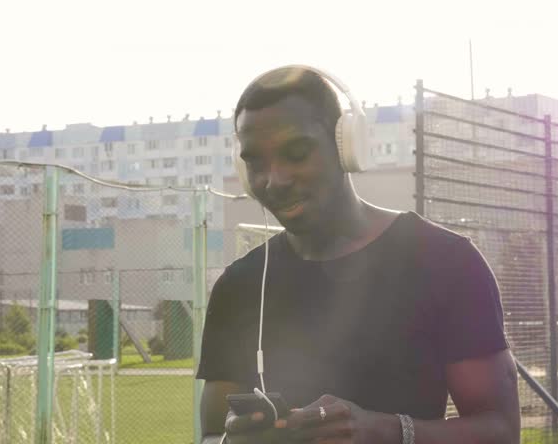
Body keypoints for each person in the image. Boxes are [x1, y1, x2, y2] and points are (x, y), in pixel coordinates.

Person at [197, 66, 520, 444]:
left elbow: (500, 431)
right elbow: (210, 435)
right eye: (256, 163)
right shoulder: (238, 287)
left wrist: (388, 432)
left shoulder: (446, 262)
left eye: (297, 153)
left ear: (345, 144)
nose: (275, 180)